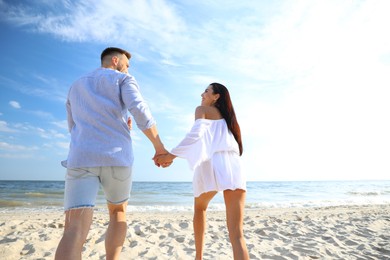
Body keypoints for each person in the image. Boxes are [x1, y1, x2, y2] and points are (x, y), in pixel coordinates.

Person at [55, 47, 168, 260]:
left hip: (82, 158)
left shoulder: (76, 85)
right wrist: (159, 147)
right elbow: (139, 110)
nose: (127, 69)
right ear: (115, 61)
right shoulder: (123, 79)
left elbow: (73, 126)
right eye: (126, 65)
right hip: (117, 158)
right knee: (118, 212)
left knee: (73, 229)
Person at [154, 83, 249, 260]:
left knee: (200, 208)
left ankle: (199, 257)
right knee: (237, 235)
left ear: (216, 96)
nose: (202, 94)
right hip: (234, 166)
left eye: (206, 91)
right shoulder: (230, 121)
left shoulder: (201, 110)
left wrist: (171, 155)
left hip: (211, 162)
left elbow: (195, 135)